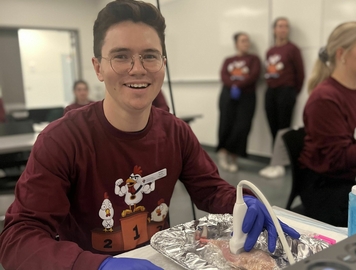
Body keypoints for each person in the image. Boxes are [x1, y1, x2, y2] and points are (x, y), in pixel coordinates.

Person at [0, 1, 299, 269]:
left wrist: (245, 202)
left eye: (150, 56)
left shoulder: (175, 132)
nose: (138, 69)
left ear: (163, 66)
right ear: (98, 67)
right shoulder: (62, 140)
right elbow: (17, 238)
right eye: (120, 56)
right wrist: (98, 267)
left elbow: (209, 190)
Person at [298, 21, 356, 227]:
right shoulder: (325, 98)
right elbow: (338, 158)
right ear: (342, 54)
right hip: (329, 188)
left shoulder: (355, 89)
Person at [259, 17, 304, 179]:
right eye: (280, 26)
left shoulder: (293, 49)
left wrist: (292, 92)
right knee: (273, 128)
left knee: (283, 128)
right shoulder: (270, 51)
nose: (283, 29)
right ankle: (275, 162)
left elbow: (300, 74)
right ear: (274, 29)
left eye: (286, 26)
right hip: (271, 91)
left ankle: (281, 164)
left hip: (286, 91)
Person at [217, 32, 260, 172]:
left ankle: (234, 156)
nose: (246, 43)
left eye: (247, 41)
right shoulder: (228, 60)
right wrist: (232, 85)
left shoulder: (254, 59)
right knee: (226, 123)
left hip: (246, 96)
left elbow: (254, 75)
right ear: (236, 44)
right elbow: (224, 75)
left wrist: (239, 85)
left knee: (242, 127)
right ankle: (223, 153)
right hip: (228, 95)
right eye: (243, 41)